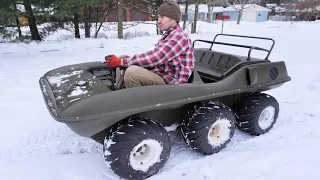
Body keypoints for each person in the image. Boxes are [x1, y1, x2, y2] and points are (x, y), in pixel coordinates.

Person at [105, 1, 195, 88]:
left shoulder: (179, 37)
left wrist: (121, 62)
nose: (158, 21)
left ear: (173, 18)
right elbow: (155, 58)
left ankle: (137, 102)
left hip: (172, 84)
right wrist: (123, 60)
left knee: (132, 73)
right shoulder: (169, 35)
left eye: (162, 17)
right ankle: (118, 89)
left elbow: (156, 57)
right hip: (161, 75)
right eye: (159, 17)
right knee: (122, 57)